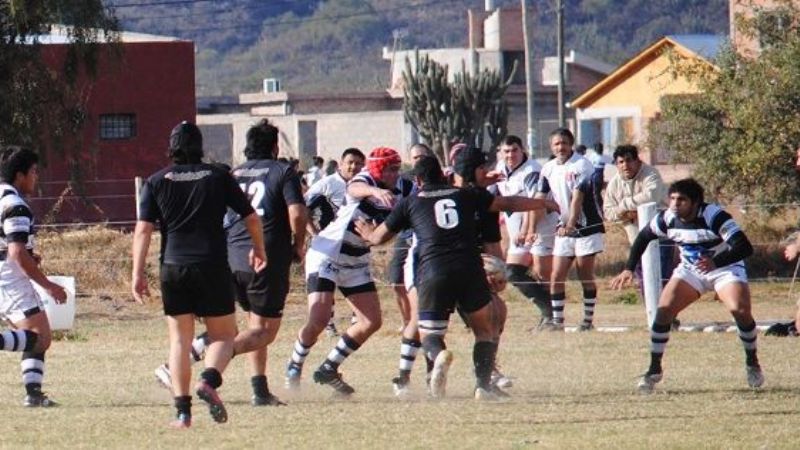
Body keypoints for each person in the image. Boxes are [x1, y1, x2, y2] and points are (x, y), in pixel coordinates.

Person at [357, 156, 557, 400]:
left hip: (433, 272)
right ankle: (482, 386)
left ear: (418, 180)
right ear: (443, 175)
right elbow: (508, 202)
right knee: (485, 330)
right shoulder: (466, 194)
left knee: (430, 333)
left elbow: (379, 238)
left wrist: (367, 233)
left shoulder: (410, 202)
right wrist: (542, 204)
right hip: (470, 269)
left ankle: (438, 355)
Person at [133, 121, 267, 428]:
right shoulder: (218, 176)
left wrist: (137, 273)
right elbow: (251, 218)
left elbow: (143, 230)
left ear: (172, 148)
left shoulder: (155, 181)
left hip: (173, 267)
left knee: (180, 340)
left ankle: (182, 413)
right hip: (211, 265)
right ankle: (208, 380)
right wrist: (259, 249)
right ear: (200, 146)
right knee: (224, 334)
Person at [610, 178, 763, 392]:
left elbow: (744, 247)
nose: (674, 204)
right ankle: (654, 370)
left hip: (724, 268)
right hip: (691, 270)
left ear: (696, 202)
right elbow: (643, 237)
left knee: (740, 310)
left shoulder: (714, 216)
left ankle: (752, 362)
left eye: (681, 200)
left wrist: (715, 262)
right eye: (672, 198)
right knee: (663, 312)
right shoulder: (668, 218)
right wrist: (628, 268)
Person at [284, 147, 402, 396]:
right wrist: (375, 191)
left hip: (356, 260)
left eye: (397, 168)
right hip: (328, 253)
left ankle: (329, 367)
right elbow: (353, 189)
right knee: (319, 320)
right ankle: (294, 366)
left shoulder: (404, 188)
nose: (395, 174)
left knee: (371, 321)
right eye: (390, 169)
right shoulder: (365, 180)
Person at [0, 147, 67, 408]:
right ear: (20, 175)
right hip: (9, 279)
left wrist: (28, 254)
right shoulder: (15, 205)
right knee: (40, 337)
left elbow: (12, 246)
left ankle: (34, 394)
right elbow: (16, 253)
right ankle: (33, 394)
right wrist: (49, 286)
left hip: (6, 276)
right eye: (34, 172)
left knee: (35, 336)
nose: (36, 178)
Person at [539, 128, 605, 331]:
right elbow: (541, 198)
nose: (561, 147)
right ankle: (558, 322)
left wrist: (570, 225)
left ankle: (587, 322)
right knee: (556, 276)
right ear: (552, 146)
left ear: (571, 144)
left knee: (584, 275)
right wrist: (530, 225)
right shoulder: (548, 168)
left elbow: (578, 198)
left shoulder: (582, 165)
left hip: (587, 227)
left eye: (564, 143)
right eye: (557, 144)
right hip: (564, 228)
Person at [603, 145, 678, 324]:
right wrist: (628, 212)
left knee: (662, 278)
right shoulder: (615, 183)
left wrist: (624, 206)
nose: (625, 165)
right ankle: (656, 316)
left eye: (629, 160)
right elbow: (608, 212)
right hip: (636, 239)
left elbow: (651, 196)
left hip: (661, 237)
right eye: (621, 162)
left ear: (638, 161)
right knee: (644, 280)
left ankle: (668, 316)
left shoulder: (650, 174)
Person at [304, 148, 366, 337]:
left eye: (358, 163)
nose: (354, 167)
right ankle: (328, 323)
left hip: (355, 245)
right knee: (326, 287)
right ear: (341, 163)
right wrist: (314, 233)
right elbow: (304, 209)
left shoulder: (366, 185)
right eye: (350, 162)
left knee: (357, 283)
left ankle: (357, 320)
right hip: (328, 245)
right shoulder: (326, 184)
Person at [493, 135, 553, 327]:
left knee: (542, 274)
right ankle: (548, 313)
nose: (510, 155)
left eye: (514, 150)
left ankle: (551, 317)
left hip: (541, 227)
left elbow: (532, 202)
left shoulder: (532, 170)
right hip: (519, 233)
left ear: (523, 150)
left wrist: (527, 230)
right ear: (501, 152)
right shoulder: (500, 169)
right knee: (513, 273)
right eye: (506, 151)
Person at [585, 142, 613, 212]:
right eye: (598, 148)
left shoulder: (605, 157)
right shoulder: (591, 156)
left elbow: (615, 162)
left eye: (601, 149)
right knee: (590, 194)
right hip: (591, 176)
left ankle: (601, 210)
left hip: (598, 177)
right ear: (595, 149)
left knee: (596, 194)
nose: (600, 150)